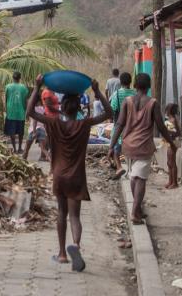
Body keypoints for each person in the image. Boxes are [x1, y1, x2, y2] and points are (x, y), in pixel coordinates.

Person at [27, 74, 112, 272]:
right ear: (78, 108)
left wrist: (37, 87)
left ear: (63, 107)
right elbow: (109, 113)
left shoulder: (54, 123)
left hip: (59, 174)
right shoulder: (84, 124)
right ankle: (76, 245)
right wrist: (97, 91)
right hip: (77, 176)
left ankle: (62, 254)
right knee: (75, 216)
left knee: (61, 213)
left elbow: (30, 111)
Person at [110, 73, 177, 224]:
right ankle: (135, 212)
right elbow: (161, 126)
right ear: (148, 86)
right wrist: (171, 143)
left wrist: (112, 145)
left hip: (128, 145)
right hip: (143, 146)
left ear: (135, 85)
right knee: (140, 179)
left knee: (134, 176)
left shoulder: (127, 101)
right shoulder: (153, 103)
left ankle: (137, 209)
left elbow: (119, 124)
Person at [107, 72, 136, 179]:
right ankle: (131, 169)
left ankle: (119, 167)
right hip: (132, 125)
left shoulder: (117, 94)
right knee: (131, 149)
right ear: (130, 81)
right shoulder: (135, 94)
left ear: (120, 82)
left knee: (116, 149)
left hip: (119, 124)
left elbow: (113, 109)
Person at [3, 72, 29, 153]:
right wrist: (26, 111)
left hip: (10, 112)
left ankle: (14, 149)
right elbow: (26, 101)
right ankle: (20, 148)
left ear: (13, 78)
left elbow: (5, 99)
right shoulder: (24, 88)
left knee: (12, 131)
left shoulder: (8, 86)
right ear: (20, 78)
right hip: (21, 113)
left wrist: (5, 109)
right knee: (21, 132)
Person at [163, 103, 181, 189]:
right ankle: (170, 181)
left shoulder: (173, 120)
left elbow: (178, 133)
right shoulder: (169, 119)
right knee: (169, 162)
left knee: (172, 163)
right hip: (169, 142)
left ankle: (174, 183)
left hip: (173, 142)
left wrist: (169, 132)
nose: (165, 112)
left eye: (167, 110)